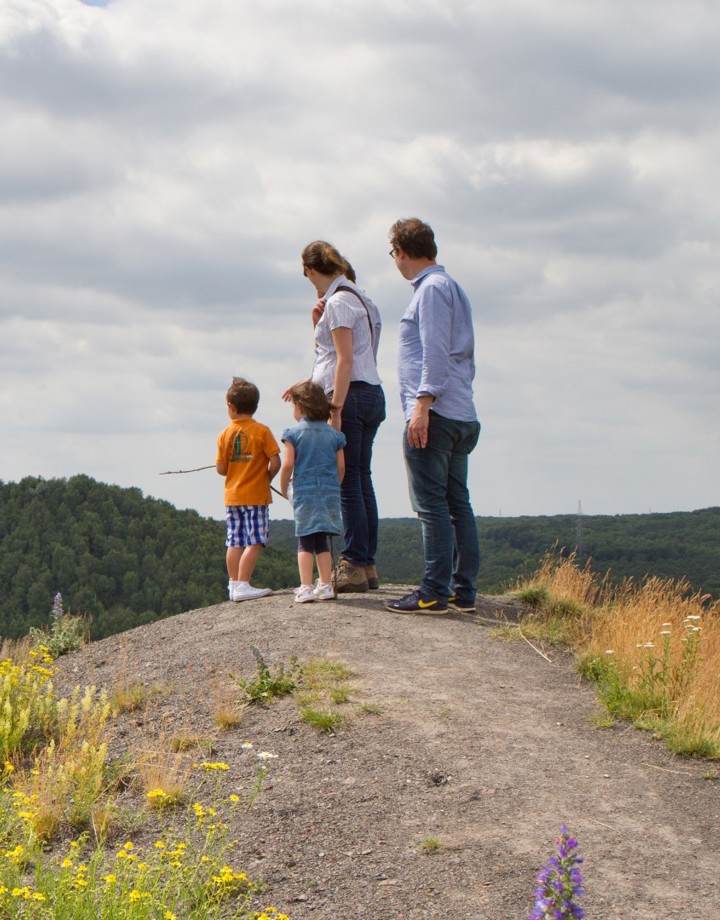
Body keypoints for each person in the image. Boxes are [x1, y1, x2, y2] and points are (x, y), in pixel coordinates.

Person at [385, 218, 481, 615]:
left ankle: (433, 592)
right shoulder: (451, 287)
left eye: (393, 253)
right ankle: (463, 591)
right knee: (458, 502)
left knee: (432, 506)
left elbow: (436, 350)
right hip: (460, 410)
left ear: (402, 252)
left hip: (436, 412)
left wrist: (422, 404)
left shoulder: (431, 290)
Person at [285, 240, 385, 593]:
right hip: (371, 392)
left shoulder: (340, 303)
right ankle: (367, 563)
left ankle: (354, 563)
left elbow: (344, 361)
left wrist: (336, 408)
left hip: (351, 395)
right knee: (362, 477)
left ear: (312, 271)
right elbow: (356, 355)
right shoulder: (363, 301)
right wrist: (318, 326)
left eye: (308, 275)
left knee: (347, 482)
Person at [279, 381, 346, 603]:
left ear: (301, 406)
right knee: (321, 539)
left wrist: (283, 486)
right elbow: (341, 467)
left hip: (305, 492)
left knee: (305, 539)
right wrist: (335, 486)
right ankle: (325, 585)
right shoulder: (334, 435)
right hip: (329, 492)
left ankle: (305, 588)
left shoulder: (293, 433)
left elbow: (288, 464)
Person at [216, 377, 281, 602]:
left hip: (233, 496)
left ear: (231, 407)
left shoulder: (224, 434)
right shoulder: (262, 431)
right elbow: (276, 462)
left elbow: (221, 469)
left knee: (234, 541)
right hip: (255, 495)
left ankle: (234, 584)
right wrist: (266, 478)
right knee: (255, 541)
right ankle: (243, 584)